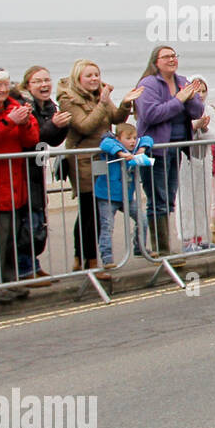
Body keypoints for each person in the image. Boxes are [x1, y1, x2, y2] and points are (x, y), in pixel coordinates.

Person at [57, 60, 141, 271]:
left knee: (97, 207)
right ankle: (88, 258)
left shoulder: (100, 95)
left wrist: (125, 104)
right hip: (83, 159)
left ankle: (85, 257)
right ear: (78, 79)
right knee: (88, 208)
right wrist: (103, 102)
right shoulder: (68, 99)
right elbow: (84, 126)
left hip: (104, 158)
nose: (95, 79)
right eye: (89, 76)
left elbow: (115, 118)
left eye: (97, 74)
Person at [134, 45, 205, 257]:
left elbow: (197, 112)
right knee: (158, 199)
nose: (172, 60)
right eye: (166, 57)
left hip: (176, 147)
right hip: (153, 150)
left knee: (168, 198)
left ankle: (159, 249)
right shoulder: (148, 84)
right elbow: (151, 115)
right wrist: (179, 100)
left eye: (174, 56)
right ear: (156, 61)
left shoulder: (181, 81)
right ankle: (161, 250)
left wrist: (191, 97)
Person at [15, 66, 70, 283]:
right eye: (38, 81)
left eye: (47, 80)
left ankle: (33, 265)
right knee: (28, 221)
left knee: (38, 221)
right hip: (22, 169)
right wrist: (53, 125)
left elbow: (53, 140)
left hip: (38, 169)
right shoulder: (24, 105)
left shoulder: (49, 106)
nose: (44, 85)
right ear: (28, 85)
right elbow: (33, 137)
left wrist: (63, 125)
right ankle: (26, 269)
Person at [0, 70, 41, 301]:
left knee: (12, 237)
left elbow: (31, 140)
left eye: (4, 85)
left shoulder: (15, 106)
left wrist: (22, 123)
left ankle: (11, 281)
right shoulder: (8, 113)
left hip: (14, 183)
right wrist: (8, 122)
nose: (2, 90)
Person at [175, 75, 215, 252]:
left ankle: (200, 237)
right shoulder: (182, 110)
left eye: (204, 91)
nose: (202, 95)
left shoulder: (209, 110)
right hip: (185, 160)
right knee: (186, 199)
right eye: (198, 91)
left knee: (202, 198)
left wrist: (203, 128)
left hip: (203, 158)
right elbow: (179, 134)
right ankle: (187, 240)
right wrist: (194, 126)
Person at [94, 123, 153, 277]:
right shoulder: (111, 146)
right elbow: (106, 142)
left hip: (126, 196)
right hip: (107, 195)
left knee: (142, 219)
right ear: (119, 138)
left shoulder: (135, 148)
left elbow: (147, 139)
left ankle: (139, 247)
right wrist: (121, 153)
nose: (132, 141)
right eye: (128, 138)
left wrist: (142, 149)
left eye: (134, 138)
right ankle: (107, 258)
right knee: (107, 226)